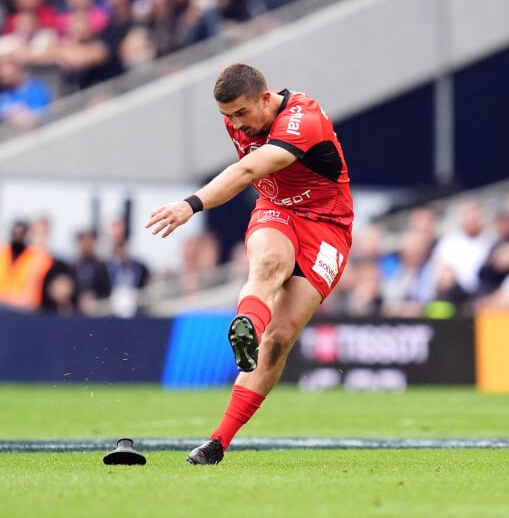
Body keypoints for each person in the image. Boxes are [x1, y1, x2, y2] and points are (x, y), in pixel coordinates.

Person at [146, 62, 353, 465]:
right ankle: (247, 330)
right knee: (269, 264)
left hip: (328, 227)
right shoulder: (240, 120)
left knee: (279, 340)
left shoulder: (302, 119)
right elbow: (252, 172)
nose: (237, 126)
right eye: (227, 117)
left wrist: (191, 205)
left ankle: (219, 440)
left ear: (265, 97)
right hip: (276, 209)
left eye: (241, 113)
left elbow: (247, 170)